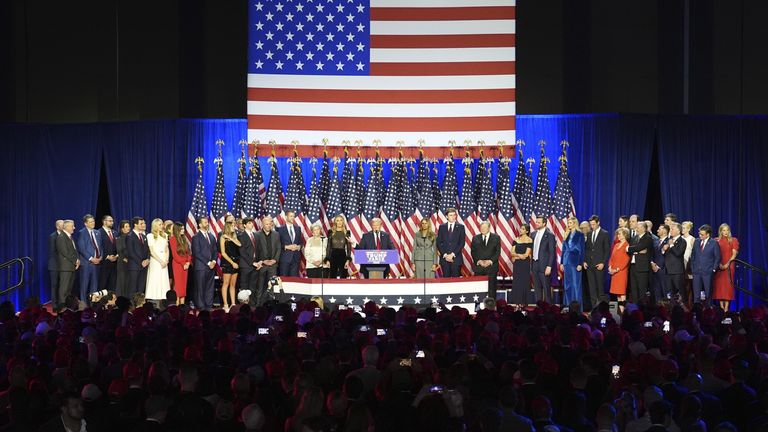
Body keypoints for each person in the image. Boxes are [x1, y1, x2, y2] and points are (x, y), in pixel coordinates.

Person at [192, 217, 218, 311]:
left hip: (211, 267)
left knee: (209, 287)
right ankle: (201, 306)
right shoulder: (196, 237)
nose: (207, 224)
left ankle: (208, 305)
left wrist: (214, 261)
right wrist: (208, 262)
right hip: (201, 267)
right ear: (200, 224)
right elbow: (197, 253)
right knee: (200, 287)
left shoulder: (211, 236)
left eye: (207, 222)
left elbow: (215, 250)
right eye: (205, 222)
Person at [584, 215, 611, 308]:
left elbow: (607, 250)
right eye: (591, 224)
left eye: (593, 224)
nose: (592, 226)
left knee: (600, 288)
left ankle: (601, 309)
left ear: (598, 223)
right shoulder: (589, 234)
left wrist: (603, 263)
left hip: (599, 265)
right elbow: (587, 249)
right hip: (589, 265)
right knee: (592, 289)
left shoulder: (605, 234)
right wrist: (585, 261)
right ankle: (593, 309)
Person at [691, 224, 720, 305]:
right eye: (699, 234)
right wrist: (693, 268)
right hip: (696, 272)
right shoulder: (696, 241)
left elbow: (717, 257)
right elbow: (693, 255)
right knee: (696, 295)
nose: (700, 236)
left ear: (708, 234)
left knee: (708, 294)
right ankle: (697, 312)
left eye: (702, 234)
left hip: (708, 272)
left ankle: (709, 312)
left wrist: (713, 269)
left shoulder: (714, 243)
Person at [76, 214, 102, 303]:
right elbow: (81, 248)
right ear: (85, 224)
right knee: (84, 285)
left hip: (96, 263)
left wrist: (100, 257)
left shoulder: (97, 232)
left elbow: (100, 246)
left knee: (94, 286)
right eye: (90, 222)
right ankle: (83, 304)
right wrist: (91, 258)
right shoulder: (81, 233)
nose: (93, 223)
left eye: (93, 221)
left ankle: (93, 303)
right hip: (86, 263)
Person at [471, 221, 501, 299]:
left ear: (489, 228)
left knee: (491, 289)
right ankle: (478, 307)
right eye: (481, 228)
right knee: (478, 288)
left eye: (485, 227)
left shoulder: (496, 238)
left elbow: (497, 252)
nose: (483, 229)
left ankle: (492, 307)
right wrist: (479, 261)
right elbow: (473, 252)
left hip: (491, 267)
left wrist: (490, 261)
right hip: (479, 268)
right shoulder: (475, 238)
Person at [255, 216, 280, 305]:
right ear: (262, 224)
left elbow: (278, 248)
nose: (269, 226)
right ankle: (258, 305)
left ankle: (271, 305)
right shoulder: (257, 235)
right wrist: (262, 261)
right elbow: (256, 250)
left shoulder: (276, 234)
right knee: (260, 286)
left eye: (270, 224)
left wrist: (275, 260)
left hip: (273, 265)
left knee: (272, 286)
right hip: (262, 265)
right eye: (266, 224)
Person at [713, 223, 739, 311]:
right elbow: (714, 254)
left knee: (728, 286)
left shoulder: (733, 240)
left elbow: (734, 254)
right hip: (719, 264)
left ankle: (726, 308)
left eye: (727, 230)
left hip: (729, 264)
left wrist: (727, 264)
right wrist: (719, 264)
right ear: (720, 231)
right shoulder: (716, 240)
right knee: (720, 286)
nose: (726, 232)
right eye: (724, 230)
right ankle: (721, 307)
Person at [560, 216, 585, 306]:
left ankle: (577, 307)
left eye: (570, 223)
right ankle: (568, 305)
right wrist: (562, 262)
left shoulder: (580, 235)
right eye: (568, 223)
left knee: (576, 285)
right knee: (567, 285)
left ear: (575, 224)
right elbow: (563, 250)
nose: (568, 225)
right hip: (566, 262)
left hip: (575, 262)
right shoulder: (566, 235)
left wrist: (580, 263)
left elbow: (582, 250)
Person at [146, 218, 171, 304]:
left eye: (162, 224)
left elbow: (167, 249)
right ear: (155, 226)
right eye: (160, 225)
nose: (162, 226)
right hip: (156, 260)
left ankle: (163, 296)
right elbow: (152, 251)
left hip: (164, 260)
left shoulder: (165, 235)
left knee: (163, 278)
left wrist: (166, 260)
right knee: (155, 278)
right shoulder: (150, 235)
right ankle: (154, 298)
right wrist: (160, 261)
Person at [626, 220, 652, 304]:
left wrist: (633, 249)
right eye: (636, 227)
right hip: (633, 266)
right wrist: (636, 250)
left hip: (642, 267)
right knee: (633, 289)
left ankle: (643, 309)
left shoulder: (647, 237)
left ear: (644, 229)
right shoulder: (634, 238)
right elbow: (633, 249)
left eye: (638, 227)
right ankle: (635, 308)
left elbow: (637, 247)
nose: (636, 229)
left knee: (642, 289)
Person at [56, 220, 80, 309]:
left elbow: (74, 250)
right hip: (66, 267)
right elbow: (65, 252)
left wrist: (77, 260)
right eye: (72, 226)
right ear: (66, 227)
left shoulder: (70, 237)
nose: (74, 228)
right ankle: (62, 307)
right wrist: (75, 261)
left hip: (71, 266)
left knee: (69, 289)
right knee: (64, 289)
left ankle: (68, 306)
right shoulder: (61, 237)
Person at [531, 216, 555, 303]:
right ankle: (539, 308)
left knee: (546, 288)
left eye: (538, 222)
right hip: (534, 264)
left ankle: (548, 308)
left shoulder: (550, 235)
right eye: (536, 222)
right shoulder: (533, 234)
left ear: (544, 223)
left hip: (544, 265)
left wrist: (549, 266)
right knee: (537, 289)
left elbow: (552, 252)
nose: (536, 223)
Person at [219, 219, 242, 311]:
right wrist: (232, 263)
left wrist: (232, 238)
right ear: (228, 227)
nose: (234, 227)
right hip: (228, 262)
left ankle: (233, 303)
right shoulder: (222, 237)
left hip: (236, 262)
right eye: (232, 226)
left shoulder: (234, 237)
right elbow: (223, 253)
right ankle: (225, 304)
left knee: (233, 284)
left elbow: (239, 245)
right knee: (226, 283)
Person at [663, 223, 688, 305]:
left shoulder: (682, 241)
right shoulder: (668, 240)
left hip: (677, 271)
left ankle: (682, 310)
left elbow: (678, 253)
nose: (671, 231)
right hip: (668, 270)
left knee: (680, 292)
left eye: (673, 229)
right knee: (671, 294)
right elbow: (664, 253)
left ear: (678, 231)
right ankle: (672, 310)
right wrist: (663, 249)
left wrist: (672, 245)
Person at [126, 217, 150, 298]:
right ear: (135, 225)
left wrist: (147, 259)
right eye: (141, 223)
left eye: (144, 223)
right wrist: (141, 262)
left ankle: (139, 306)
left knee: (141, 288)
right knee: (133, 289)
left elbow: (148, 250)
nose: (144, 225)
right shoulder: (130, 236)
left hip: (144, 266)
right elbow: (131, 252)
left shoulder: (144, 236)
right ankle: (131, 306)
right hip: (134, 266)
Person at [436, 208, 465, 278]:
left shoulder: (461, 227)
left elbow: (462, 243)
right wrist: (445, 255)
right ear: (446, 216)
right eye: (451, 215)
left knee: (456, 282)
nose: (453, 217)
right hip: (444, 259)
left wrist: (452, 254)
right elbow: (439, 243)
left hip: (456, 259)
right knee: (446, 282)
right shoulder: (442, 227)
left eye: (454, 215)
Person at [238, 218, 261, 299]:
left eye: (252, 223)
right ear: (244, 225)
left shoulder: (256, 235)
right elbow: (242, 252)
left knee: (253, 286)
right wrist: (252, 262)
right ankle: (243, 305)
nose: (251, 224)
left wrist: (259, 262)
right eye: (249, 223)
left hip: (255, 265)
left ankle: (251, 305)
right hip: (245, 265)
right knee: (244, 286)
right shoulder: (241, 236)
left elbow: (258, 250)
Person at [169, 222, 192, 306]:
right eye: (181, 229)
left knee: (183, 287)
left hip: (185, 265)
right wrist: (183, 263)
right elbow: (175, 255)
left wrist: (188, 262)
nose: (183, 230)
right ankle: (177, 306)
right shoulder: (172, 239)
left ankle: (182, 306)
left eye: (183, 228)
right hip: (178, 265)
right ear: (177, 229)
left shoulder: (184, 238)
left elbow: (188, 252)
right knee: (178, 287)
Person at [511, 223, 533, 306]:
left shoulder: (529, 240)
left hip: (525, 264)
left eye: (523, 229)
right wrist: (518, 255)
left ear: (527, 231)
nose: (521, 230)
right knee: (517, 282)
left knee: (524, 282)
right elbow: (512, 253)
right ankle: (517, 302)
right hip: (517, 265)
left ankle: (524, 302)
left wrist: (517, 256)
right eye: (521, 228)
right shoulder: (516, 239)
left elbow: (526, 255)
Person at [278, 210, 304, 277]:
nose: (293, 218)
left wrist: (299, 247)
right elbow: (277, 244)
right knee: (284, 279)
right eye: (291, 216)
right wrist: (286, 247)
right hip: (284, 259)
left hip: (295, 259)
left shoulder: (298, 228)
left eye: (293, 216)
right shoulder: (279, 229)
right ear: (286, 217)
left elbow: (301, 242)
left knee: (294, 281)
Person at [608, 228, 630, 302]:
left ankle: (623, 312)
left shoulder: (627, 245)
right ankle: (620, 311)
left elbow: (626, 260)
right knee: (617, 293)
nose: (618, 235)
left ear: (625, 235)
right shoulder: (616, 245)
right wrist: (610, 267)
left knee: (622, 292)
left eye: (620, 234)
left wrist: (617, 269)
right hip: (614, 272)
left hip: (621, 272)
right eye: (618, 234)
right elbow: (612, 257)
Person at [651, 224, 670, 303]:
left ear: (665, 231)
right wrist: (652, 263)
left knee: (665, 291)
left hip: (664, 270)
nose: (657, 230)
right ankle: (658, 309)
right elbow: (651, 254)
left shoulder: (669, 241)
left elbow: (667, 256)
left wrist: (659, 266)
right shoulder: (655, 242)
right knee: (656, 292)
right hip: (654, 270)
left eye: (659, 229)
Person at [99, 215, 119, 292]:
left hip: (114, 264)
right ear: (104, 222)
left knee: (112, 285)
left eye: (112, 221)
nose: (112, 222)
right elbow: (98, 247)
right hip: (104, 263)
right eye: (110, 221)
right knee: (102, 285)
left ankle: (111, 302)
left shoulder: (115, 233)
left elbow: (118, 247)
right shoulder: (99, 232)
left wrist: (116, 256)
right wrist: (107, 256)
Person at [48, 220, 64, 310]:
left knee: (62, 286)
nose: (64, 226)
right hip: (54, 266)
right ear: (57, 227)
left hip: (63, 266)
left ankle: (62, 303)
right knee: (55, 285)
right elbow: (54, 251)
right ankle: (54, 305)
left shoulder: (65, 236)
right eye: (62, 225)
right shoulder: (53, 236)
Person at [115, 220, 131, 298]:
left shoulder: (131, 238)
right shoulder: (119, 239)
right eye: (126, 227)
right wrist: (125, 258)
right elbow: (119, 250)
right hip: (122, 263)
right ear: (122, 229)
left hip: (130, 263)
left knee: (128, 283)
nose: (128, 228)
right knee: (122, 282)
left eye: (129, 226)